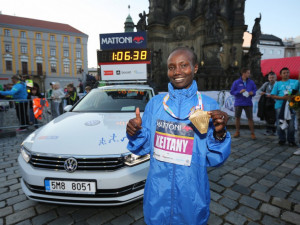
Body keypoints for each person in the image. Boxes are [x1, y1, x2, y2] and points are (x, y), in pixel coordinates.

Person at [126, 47, 231, 225]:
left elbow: (215, 158)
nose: (177, 72)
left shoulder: (208, 105)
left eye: (184, 65)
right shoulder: (155, 104)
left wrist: (219, 134)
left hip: (192, 195)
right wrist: (135, 133)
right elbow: (143, 146)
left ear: (195, 68)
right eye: (171, 67)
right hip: (157, 195)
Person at [271, 67, 298, 146]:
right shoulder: (277, 84)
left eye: (287, 72)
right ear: (280, 74)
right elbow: (272, 95)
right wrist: (283, 98)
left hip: (291, 106)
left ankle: (291, 140)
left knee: (291, 124)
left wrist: (293, 97)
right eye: (284, 73)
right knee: (280, 123)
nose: (286, 74)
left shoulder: (295, 82)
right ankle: (282, 139)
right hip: (280, 106)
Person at [230, 67, 257, 140]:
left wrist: (253, 93)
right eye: (248, 73)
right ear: (243, 73)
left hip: (248, 102)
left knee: (250, 118)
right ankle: (237, 132)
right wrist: (239, 92)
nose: (249, 74)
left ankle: (252, 133)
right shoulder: (236, 82)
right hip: (239, 102)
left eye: (249, 73)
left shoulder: (251, 82)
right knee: (237, 118)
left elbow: (255, 90)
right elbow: (232, 92)